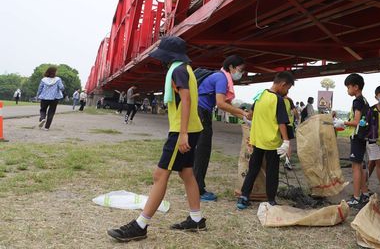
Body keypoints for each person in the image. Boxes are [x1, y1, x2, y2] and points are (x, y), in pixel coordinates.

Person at [108, 36, 205, 242]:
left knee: (160, 175)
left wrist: (183, 133)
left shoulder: (177, 71)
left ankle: (140, 225)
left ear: (168, 57)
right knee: (186, 173)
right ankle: (196, 219)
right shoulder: (186, 69)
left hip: (182, 129)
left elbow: (185, 100)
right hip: (192, 128)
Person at [194, 55, 251, 202]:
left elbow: (228, 106)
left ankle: (195, 187)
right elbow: (220, 103)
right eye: (240, 69)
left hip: (199, 111)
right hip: (202, 112)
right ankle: (197, 190)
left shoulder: (219, 76)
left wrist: (243, 118)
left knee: (200, 150)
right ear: (231, 67)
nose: (241, 73)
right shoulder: (221, 79)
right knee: (203, 151)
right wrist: (244, 113)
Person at [236, 71, 295, 210]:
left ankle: (244, 196)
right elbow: (281, 122)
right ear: (283, 84)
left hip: (257, 140)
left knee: (253, 169)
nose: (286, 92)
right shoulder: (278, 100)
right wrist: (286, 142)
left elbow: (251, 114)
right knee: (272, 171)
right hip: (272, 142)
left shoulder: (260, 95)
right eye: (287, 88)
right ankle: (271, 200)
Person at [333, 73, 372, 209]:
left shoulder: (357, 101)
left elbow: (356, 122)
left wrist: (342, 122)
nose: (347, 90)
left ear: (356, 87)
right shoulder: (365, 100)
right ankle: (365, 193)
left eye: (348, 87)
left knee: (356, 167)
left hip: (357, 137)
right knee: (360, 167)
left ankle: (356, 197)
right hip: (363, 136)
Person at [36, 66, 65, 130]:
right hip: (54, 98)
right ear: (54, 72)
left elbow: (40, 89)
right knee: (51, 112)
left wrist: (37, 96)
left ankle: (43, 118)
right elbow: (61, 88)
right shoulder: (58, 79)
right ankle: (47, 127)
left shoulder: (43, 80)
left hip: (44, 98)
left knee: (43, 110)